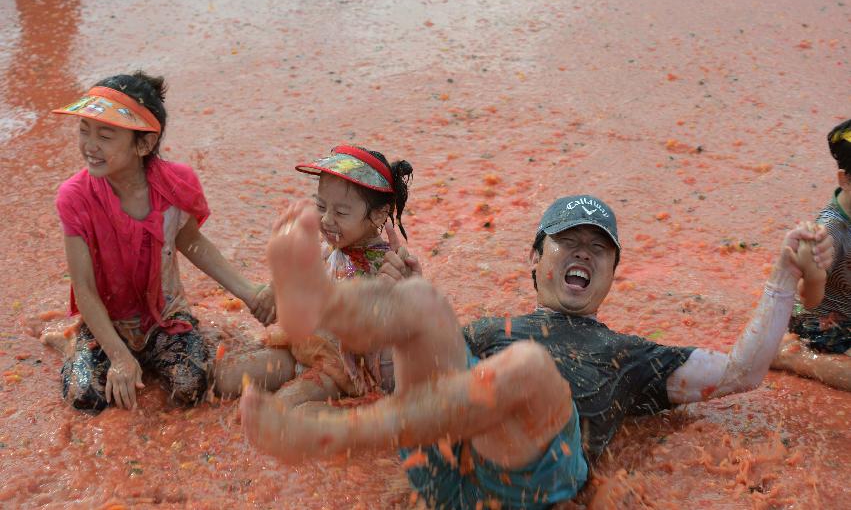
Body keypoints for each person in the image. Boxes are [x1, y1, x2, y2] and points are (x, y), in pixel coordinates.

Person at [239, 194, 831, 509]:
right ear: (533, 259)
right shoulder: (493, 326)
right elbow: (411, 383)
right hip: (440, 469)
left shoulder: (630, 353)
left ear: (612, 274)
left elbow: (741, 371)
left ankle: (331, 438)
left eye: (597, 251)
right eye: (567, 242)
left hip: (531, 480)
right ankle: (314, 304)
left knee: (525, 366)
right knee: (421, 299)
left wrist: (784, 276)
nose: (582, 254)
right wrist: (395, 303)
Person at [46, 71, 281, 412]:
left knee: (191, 387)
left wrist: (249, 293)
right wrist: (119, 357)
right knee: (87, 398)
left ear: (144, 144)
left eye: (106, 135)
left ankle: (152, 353)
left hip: (163, 317)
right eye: (84, 130)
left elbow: (192, 242)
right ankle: (70, 346)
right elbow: (84, 288)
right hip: (106, 323)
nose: (89, 145)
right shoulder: (74, 197)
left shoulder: (175, 185)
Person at [214, 145, 419, 406]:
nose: (327, 219)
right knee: (224, 378)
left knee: (281, 412)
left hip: (340, 368)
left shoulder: (388, 267)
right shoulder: (330, 245)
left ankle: (344, 414)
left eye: (341, 212)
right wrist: (274, 289)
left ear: (378, 213)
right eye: (321, 205)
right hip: (302, 347)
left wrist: (396, 291)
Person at [772, 119, 851, 391]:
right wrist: (814, 276)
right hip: (825, 323)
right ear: (845, 179)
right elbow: (809, 300)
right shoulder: (830, 231)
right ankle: (797, 358)